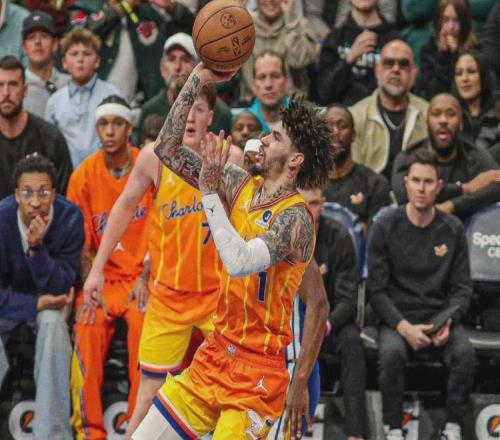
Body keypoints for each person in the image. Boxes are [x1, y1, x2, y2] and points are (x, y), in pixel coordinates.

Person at [132, 62, 334, 439]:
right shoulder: (239, 184)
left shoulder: (296, 220)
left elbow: (241, 262)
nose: (264, 140)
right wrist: (198, 77)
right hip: (215, 354)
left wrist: (209, 193)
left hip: (258, 375)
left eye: (275, 137)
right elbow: (167, 149)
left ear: (295, 160)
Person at [82, 78, 242, 439]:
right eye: (185, 109)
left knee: (234, 394)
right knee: (146, 399)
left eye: (199, 109)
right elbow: (123, 208)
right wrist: (96, 270)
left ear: (211, 116)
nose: (190, 117)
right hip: (168, 297)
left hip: (219, 298)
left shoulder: (229, 158)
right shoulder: (154, 157)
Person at [368, 149, 476, 440]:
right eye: (416, 180)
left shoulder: (452, 229)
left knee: (465, 354)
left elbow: (462, 289)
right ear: (406, 183)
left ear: (439, 186)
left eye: (428, 182)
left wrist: (446, 322)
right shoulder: (384, 225)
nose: (421, 188)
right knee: (391, 354)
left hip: (439, 316)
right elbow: (376, 291)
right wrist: (404, 327)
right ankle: (393, 428)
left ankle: (452, 426)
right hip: (397, 318)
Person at [66, 96, 152, 440]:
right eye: (104, 124)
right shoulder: (83, 176)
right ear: (96, 128)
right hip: (102, 279)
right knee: (86, 325)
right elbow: (80, 243)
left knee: (146, 330)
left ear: (129, 128)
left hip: (141, 279)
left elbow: (163, 229)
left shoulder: (148, 166)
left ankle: (138, 429)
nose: (110, 131)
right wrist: (90, 282)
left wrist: (147, 278)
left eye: (117, 123)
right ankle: (89, 432)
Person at [0, 153, 84, 439]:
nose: (35, 202)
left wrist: (36, 249)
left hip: (53, 305)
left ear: (54, 194)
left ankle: (53, 434)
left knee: (51, 321)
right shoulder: (1, 219)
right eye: (27, 193)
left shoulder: (70, 218)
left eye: (43, 192)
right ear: (16, 195)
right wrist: (33, 303)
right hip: (10, 306)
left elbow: (61, 285)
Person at [300, 187, 367, 440]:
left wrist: (323, 326)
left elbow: (348, 301)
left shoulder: (339, 237)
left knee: (353, 343)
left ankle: (355, 433)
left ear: (322, 205)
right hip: (291, 325)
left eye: (313, 204)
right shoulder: (282, 236)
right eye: (302, 203)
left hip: (330, 324)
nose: (308, 211)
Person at [392, 93, 500, 220]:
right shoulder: (408, 157)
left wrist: (451, 206)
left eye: (451, 114)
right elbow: (403, 194)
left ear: (461, 124)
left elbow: (497, 186)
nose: (443, 120)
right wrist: (465, 188)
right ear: (427, 123)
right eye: (436, 114)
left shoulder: (474, 156)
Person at [69, 0, 194, 102]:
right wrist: (120, 9)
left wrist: (172, 7)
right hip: (95, 101)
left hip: (139, 103)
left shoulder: (149, 14)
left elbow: (192, 36)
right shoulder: (89, 6)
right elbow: (73, 38)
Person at [350, 40, 428, 181]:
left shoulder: (427, 114)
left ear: (414, 73)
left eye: (403, 64)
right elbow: (353, 177)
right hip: (369, 192)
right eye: (388, 63)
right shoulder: (356, 116)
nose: (396, 70)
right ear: (377, 70)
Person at [45, 28, 123, 169]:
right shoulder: (55, 102)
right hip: (68, 176)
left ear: (97, 61)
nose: (80, 59)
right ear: (64, 62)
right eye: (74, 54)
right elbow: (49, 147)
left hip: (105, 173)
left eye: (87, 54)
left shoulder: (113, 96)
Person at [0, 55, 72, 199]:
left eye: (13, 84)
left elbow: (63, 200)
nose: (6, 93)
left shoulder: (51, 138)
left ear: (25, 90)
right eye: (0, 85)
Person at [137, 32, 232, 141]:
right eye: (171, 59)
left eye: (185, 60)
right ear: (162, 68)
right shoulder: (149, 109)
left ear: (197, 68)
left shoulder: (220, 112)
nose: (177, 67)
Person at [316, 0, 400, 106]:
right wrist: (349, 58)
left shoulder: (394, 40)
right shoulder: (335, 38)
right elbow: (322, 93)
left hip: (380, 112)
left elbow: (400, 90)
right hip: (342, 111)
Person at [323, 105, 392, 228]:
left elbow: (378, 236)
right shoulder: (306, 185)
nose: (335, 132)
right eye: (328, 127)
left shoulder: (375, 184)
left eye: (342, 126)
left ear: (353, 135)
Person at [238, 0, 317, 105]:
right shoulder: (243, 24)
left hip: (293, 104)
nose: (270, 1)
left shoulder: (300, 25)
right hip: (251, 103)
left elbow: (300, 62)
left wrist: (290, 23)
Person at [417, 0, 478, 100]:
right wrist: (444, 56)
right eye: (445, 20)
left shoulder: (477, 50)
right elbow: (433, 95)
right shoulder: (428, 51)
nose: (450, 27)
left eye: (456, 21)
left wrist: (458, 55)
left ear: (465, 23)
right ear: (438, 22)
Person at [22, 10, 70, 118]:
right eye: (31, 37)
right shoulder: (13, 87)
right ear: (24, 48)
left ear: (55, 44)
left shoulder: (71, 85)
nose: (37, 42)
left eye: (44, 36)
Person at [453, 50, 497, 144]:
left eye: (471, 71)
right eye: (459, 73)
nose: (464, 78)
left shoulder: (497, 114)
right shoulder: (452, 119)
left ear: (483, 76)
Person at [247, 51, 290, 134]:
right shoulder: (241, 123)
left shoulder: (305, 117)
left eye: (275, 76)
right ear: (253, 86)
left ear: (286, 83)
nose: (268, 84)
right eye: (261, 77)